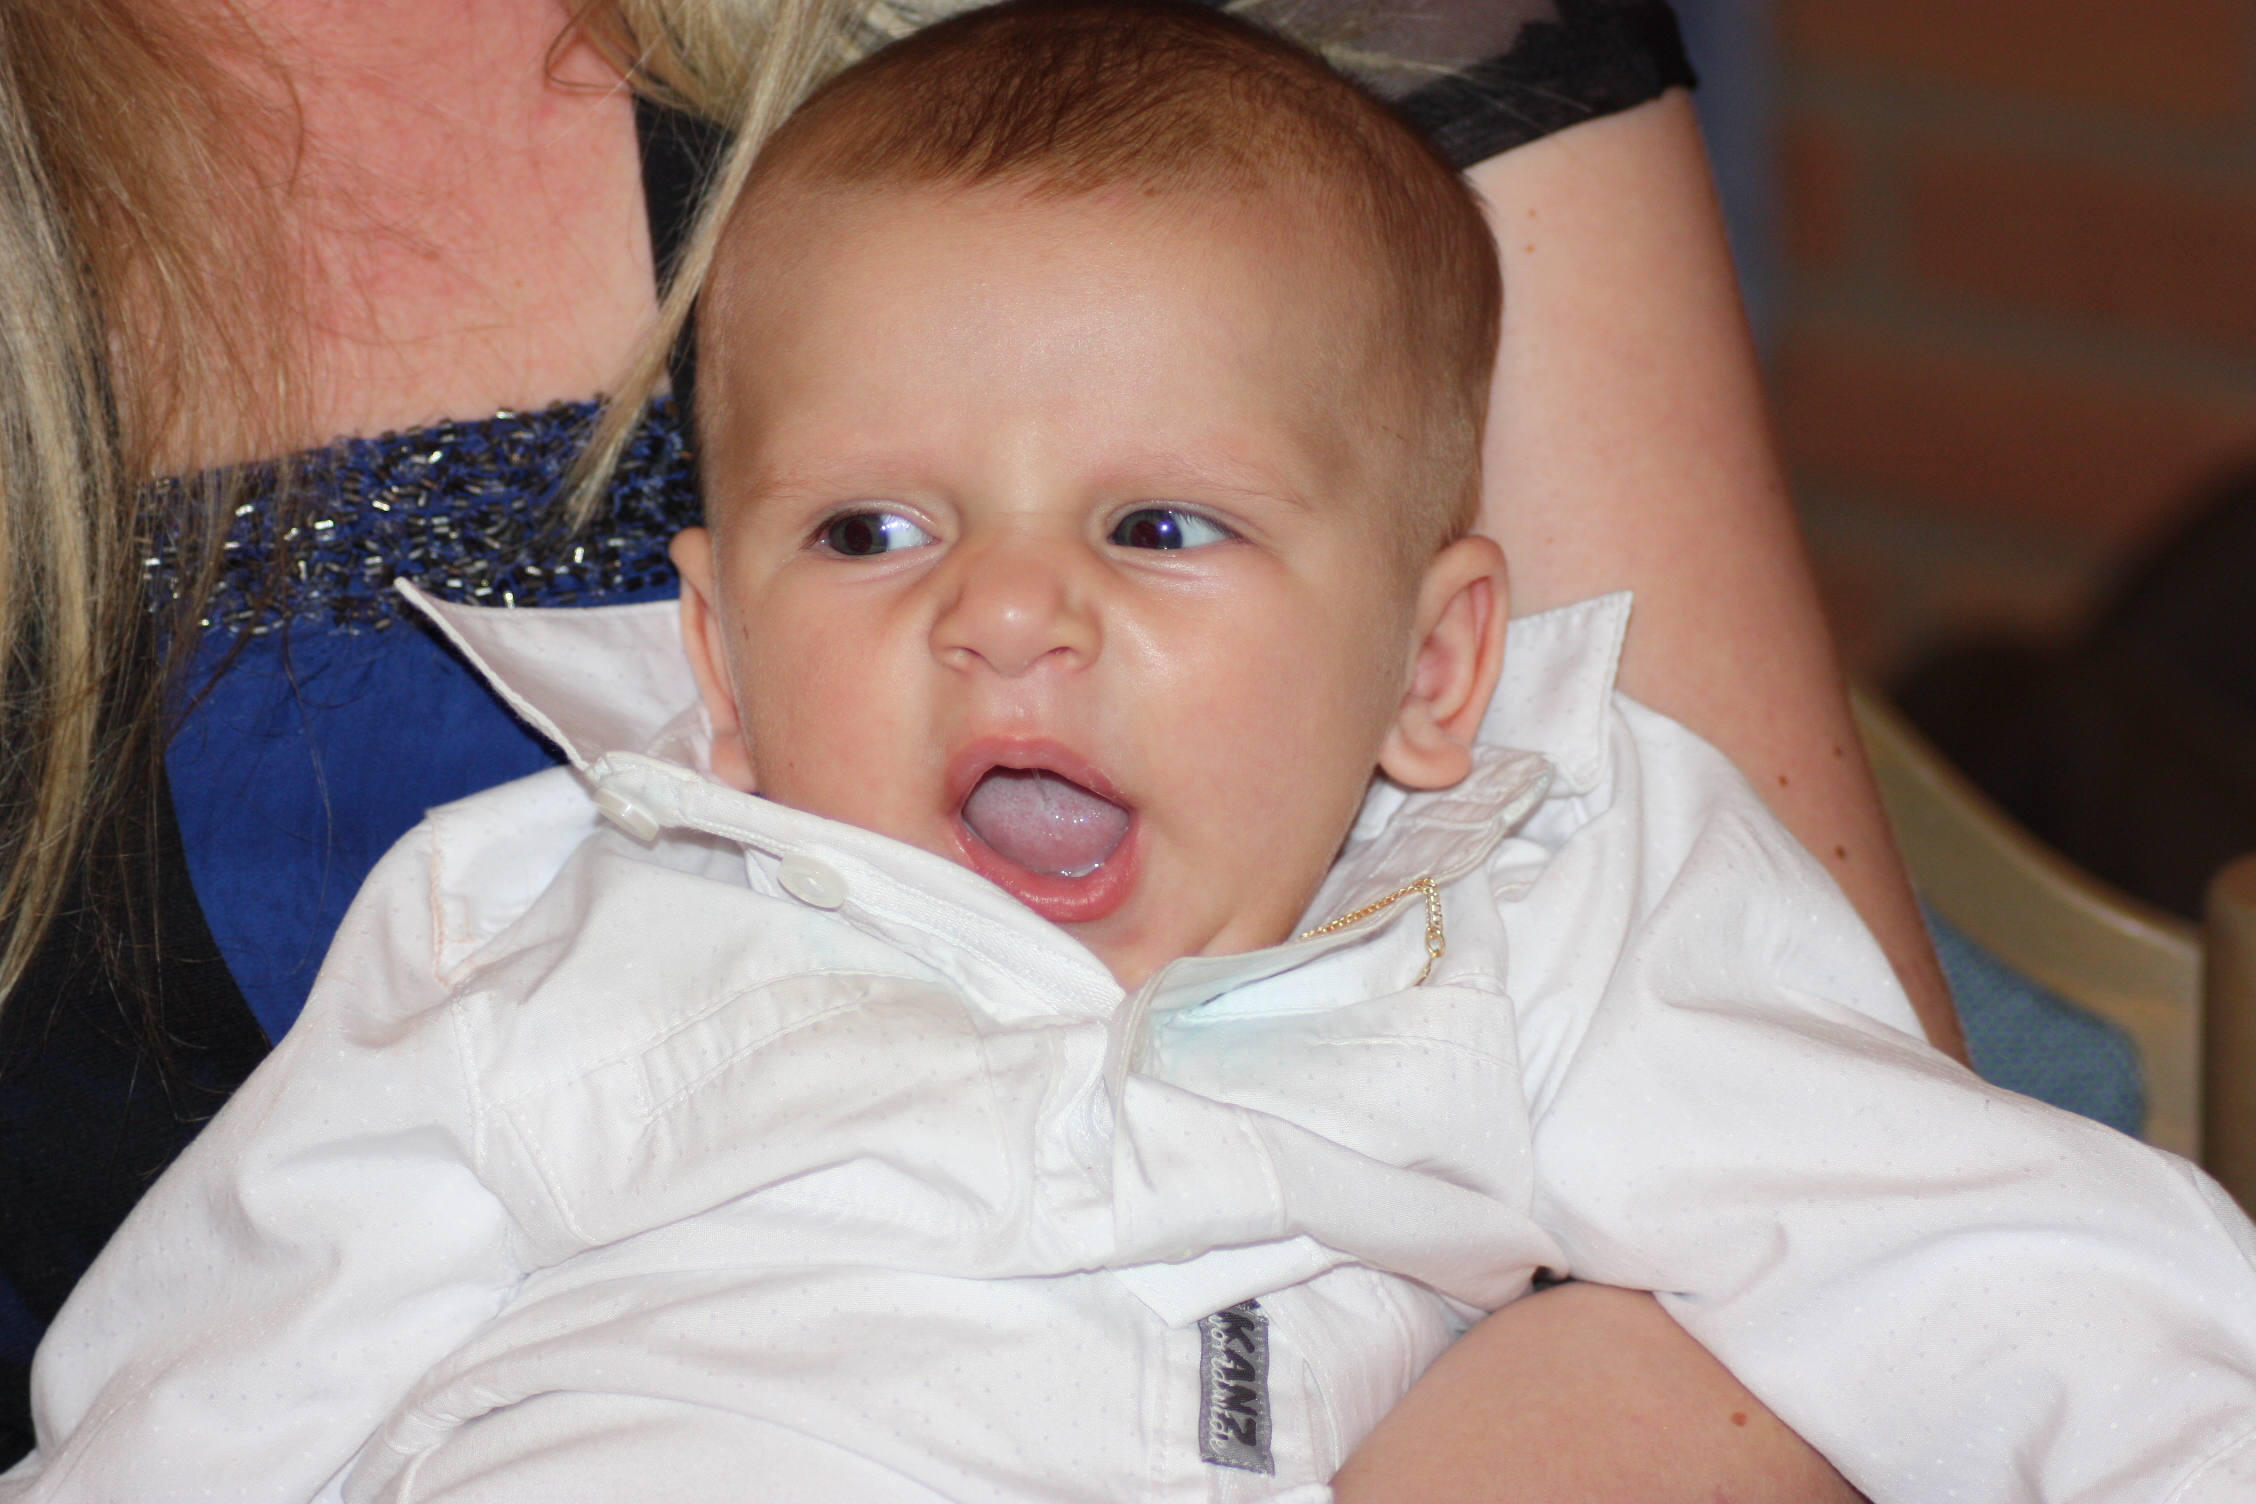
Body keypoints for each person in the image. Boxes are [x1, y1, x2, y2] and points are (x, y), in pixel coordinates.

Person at [10, 7, 2254, 1500]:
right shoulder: (542, 926)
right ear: (717, 651)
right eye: (871, 532)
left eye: (1159, 528)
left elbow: (1988, 1262)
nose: (1006, 611)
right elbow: (208, 1387)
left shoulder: (1536, 915)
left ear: (1437, 662)